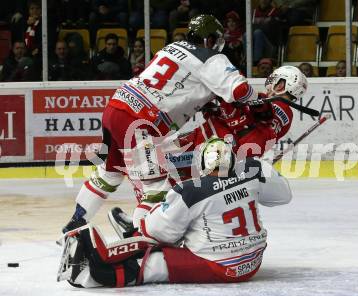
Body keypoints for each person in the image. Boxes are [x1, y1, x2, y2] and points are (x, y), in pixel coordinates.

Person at [61, 14, 259, 233]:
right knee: (156, 188)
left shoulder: (172, 47)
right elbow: (240, 91)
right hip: (140, 121)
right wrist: (258, 99)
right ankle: (139, 236)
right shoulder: (212, 59)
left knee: (110, 172)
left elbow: (178, 87)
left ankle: (74, 223)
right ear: (209, 38)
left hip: (116, 106)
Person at [57, 137, 292, 288]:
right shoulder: (252, 170)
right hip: (253, 261)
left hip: (219, 265)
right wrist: (262, 170)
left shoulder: (190, 190)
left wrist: (147, 223)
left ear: (201, 163)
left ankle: (88, 273)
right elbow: (283, 195)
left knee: (147, 263)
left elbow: (159, 234)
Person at [109, 65, 307, 238]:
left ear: (283, 84)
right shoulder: (276, 107)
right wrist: (219, 108)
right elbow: (243, 120)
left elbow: (248, 125)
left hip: (211, 148)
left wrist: (229, 103)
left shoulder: (282, 108)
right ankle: (150, 225)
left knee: (152, 168)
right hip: (207, 143)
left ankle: (141, 229)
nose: (271, 83)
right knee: (158, 170)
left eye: (276, 80)